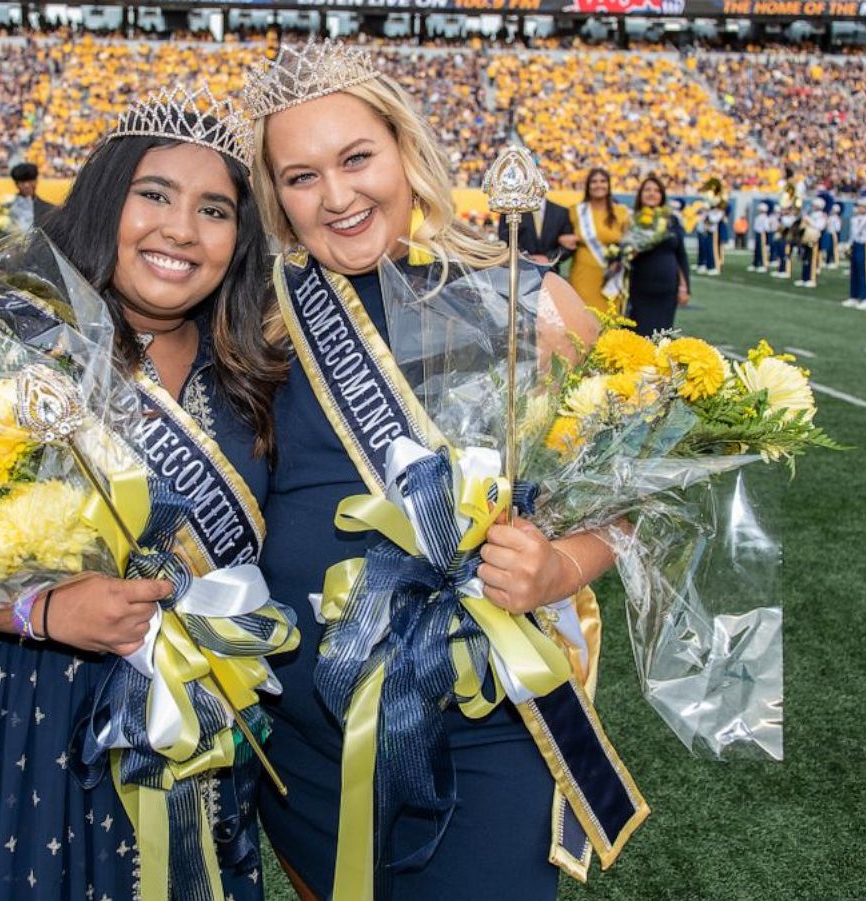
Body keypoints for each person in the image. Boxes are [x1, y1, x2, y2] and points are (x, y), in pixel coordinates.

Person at [243, 42, 641, 901]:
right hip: (308, 738)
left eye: (357, 159)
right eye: (301, 176)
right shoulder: (261, 320)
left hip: (482, 727)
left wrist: (559, 567)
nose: (338, 196)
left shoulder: (525, 298)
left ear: (407, 149)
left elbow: (629, 486)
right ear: (275, 196)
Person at [0, 84, 286, 901]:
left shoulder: (253, 367)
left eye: (215, 210)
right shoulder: (6, 332)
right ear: (107, 199)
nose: (181, 229)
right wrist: (44, 610)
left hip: (196, 728)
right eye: (154, 194)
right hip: (14, 708)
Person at [623, 176, 689, 336]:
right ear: (640, 194)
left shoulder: (671, 220)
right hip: (640, 290)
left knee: (661, 337)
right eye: (647, 190)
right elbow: (623, 255)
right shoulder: (631, 219)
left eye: (656, 190)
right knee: (638, 335)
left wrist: (684, 287)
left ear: (662, 195)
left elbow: (681, 256)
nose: (652, 194)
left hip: (667, 291)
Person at [558, 167, 626, 313]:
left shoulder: (621, 212)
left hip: (612, 279)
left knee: (610, 322)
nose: (598, 185)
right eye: (594, 182)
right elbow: (558, 235)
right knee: (583, 320)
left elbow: (630, 244)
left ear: (608, 185)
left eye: (603, 181)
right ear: (588, 186)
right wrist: (562, 239)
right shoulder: (575, 211)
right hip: (583, 275)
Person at [842, 190, 866, 310]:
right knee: (854, 271)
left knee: (864, 272)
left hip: (865, 246)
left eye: (860, 206)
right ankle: (854, 296)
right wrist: (848, 245)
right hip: (856, 245)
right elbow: (852, 234)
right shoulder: (855, 219)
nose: (858, 208)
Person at [517, 196, 574, 266]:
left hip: (550, 270)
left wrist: (549, 258)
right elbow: (506, 241)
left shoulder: (561, 212)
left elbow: (569, 245)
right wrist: (525, 257)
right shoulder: (513, 211)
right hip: (520, 269)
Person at [7, 162, 56, 232]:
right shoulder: (7, 208)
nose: (26, 185)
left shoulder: (49, 210)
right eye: (22, 181)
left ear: (36, 181)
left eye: (30, 180)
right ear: (16, 184)